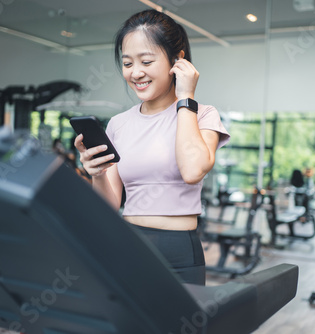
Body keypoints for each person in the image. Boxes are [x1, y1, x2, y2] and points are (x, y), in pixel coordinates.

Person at [74, 9, 230, 285]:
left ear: (177, 61)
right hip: (128, 245)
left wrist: (186, 98)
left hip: (180, 252)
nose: (136, 73)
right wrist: (96, 173)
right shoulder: (119, 124)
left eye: (146, 61)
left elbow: (193, 170)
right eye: (127, 63)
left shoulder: (203, 115)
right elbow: (110, 205)